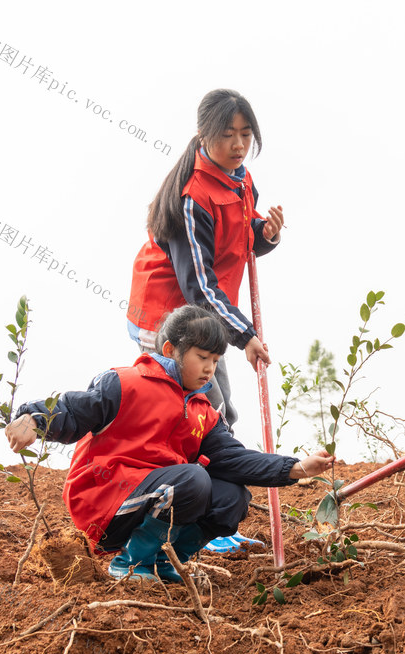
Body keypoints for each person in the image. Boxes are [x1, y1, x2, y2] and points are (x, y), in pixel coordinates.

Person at [5, 305, 334, 583]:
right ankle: (132, 564)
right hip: (104, 501)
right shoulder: (125, 383)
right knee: (193, 478)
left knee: (232, 496)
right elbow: (76, 409)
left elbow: (232, 458)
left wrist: (294, 467)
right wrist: (33, 419)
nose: (209, 368)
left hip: (159, 497)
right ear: (169, 350)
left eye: (216, 360)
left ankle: (164, 561)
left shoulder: (203, 412)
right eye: (202, 356)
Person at [127, 88, 284, 433]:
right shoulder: (192, 197)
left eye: (245, 135)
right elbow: (198, 284)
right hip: (165, 316)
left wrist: (265, 233)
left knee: (219, 412)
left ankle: (216, 479)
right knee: (195, 412)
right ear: (203, 136)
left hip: (205, 313)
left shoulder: (240, 179)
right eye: (227, 136)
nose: (239, 145)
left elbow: (239, 235)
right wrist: (244, 335)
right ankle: (176, 480)